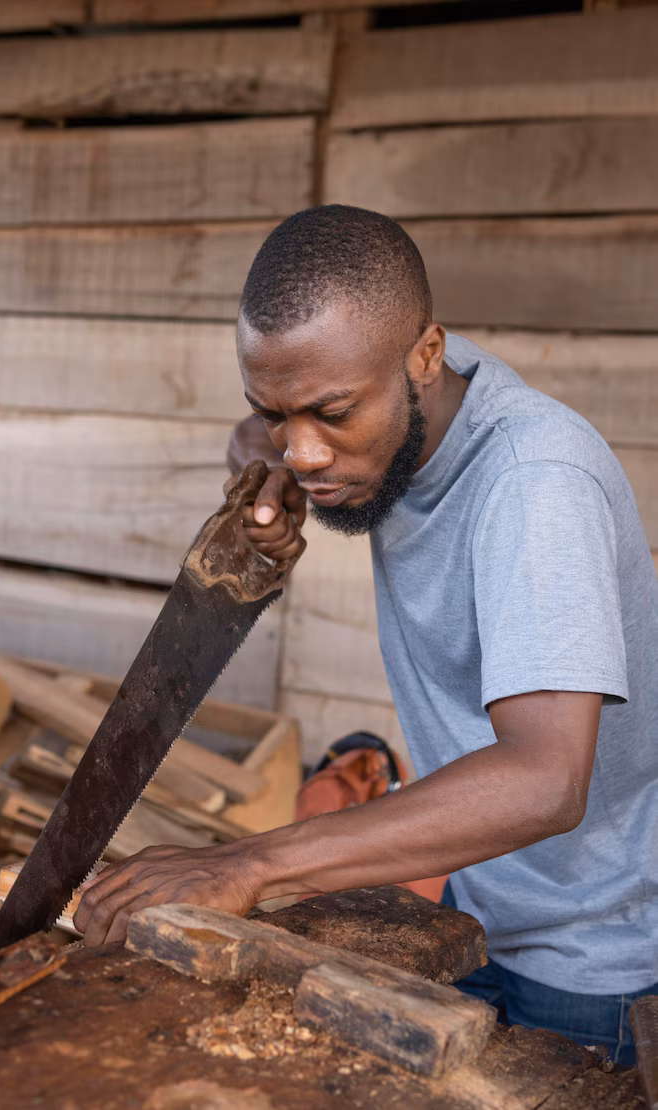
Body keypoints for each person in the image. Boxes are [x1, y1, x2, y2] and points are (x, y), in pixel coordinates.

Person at [75, 205, 657, 1064]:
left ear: (425, 355)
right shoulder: (392, 386)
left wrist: (245, 866)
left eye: (331, 414)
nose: (306, 451)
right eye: (278, 413)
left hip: (590, 958)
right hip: (481, 910)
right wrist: (263, 471)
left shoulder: (536, 485)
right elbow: (278, 424)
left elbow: (545, 780)